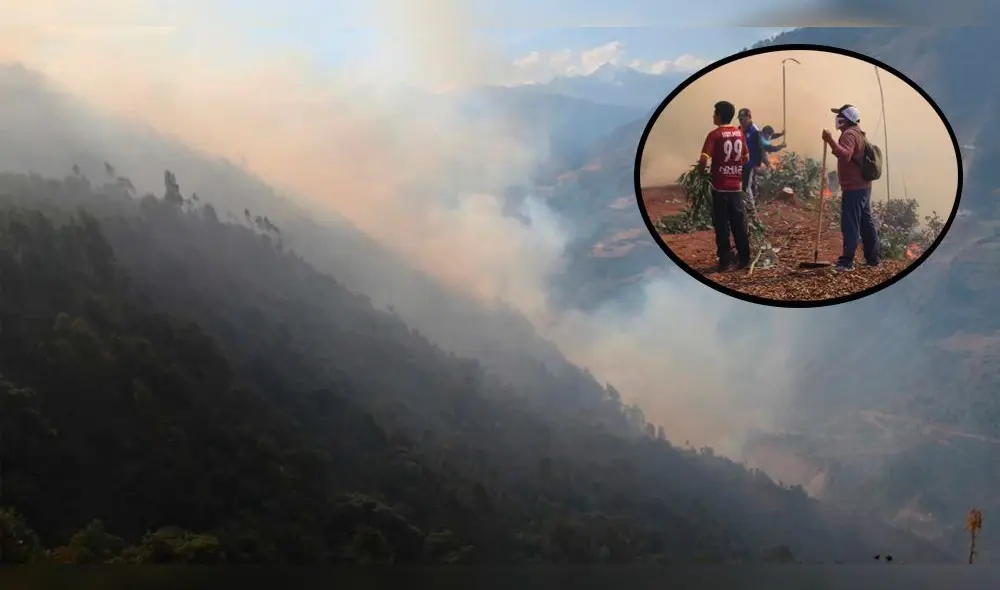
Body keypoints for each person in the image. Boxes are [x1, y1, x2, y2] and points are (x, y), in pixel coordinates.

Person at [822, 104, 880, 271]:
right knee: (865, 222)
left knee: (850, 224)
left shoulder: (848, 134)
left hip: (854, 188)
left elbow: (845, 155)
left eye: (839, 115)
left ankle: (846, 262)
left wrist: (830, 140)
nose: (836, 118)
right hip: (863, 186)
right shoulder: (858, 132)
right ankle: (873, 259)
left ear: (845, 119)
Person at [699, 101, 751, 272]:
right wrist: (734, 167)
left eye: (715, 112)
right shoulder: (739, 133)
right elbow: (746, 158)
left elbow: (704, 159)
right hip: (736, 187)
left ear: (720, 114)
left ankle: (725, 262)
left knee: (722, 226)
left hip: (720, 188)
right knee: (739, 224)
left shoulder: (714, 135)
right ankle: (744, 259)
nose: (713, 115)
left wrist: (702, 173)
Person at [737, 109, 786, 203]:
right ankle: (749, 203)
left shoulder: (754, 131)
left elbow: (767, 146)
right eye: (740, 119)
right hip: (741, 163)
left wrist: (781, 144)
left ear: (749, 118)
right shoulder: (740, 129)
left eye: (743, 119)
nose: (741, 121)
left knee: (747, 186)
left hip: (751, 164)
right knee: (744, 184)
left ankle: (752, 207)